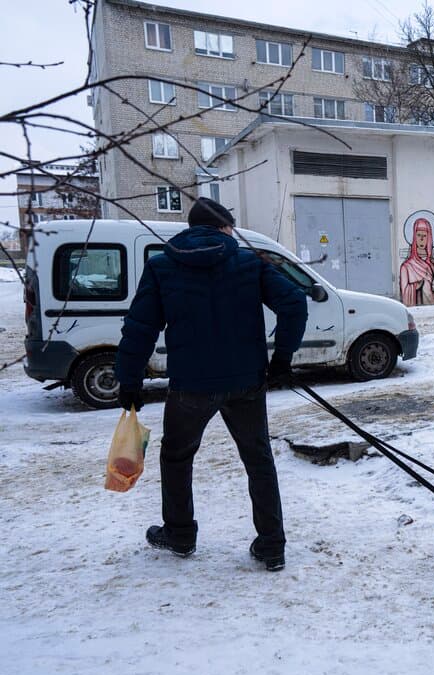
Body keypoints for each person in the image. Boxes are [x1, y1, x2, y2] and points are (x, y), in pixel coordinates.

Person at [115, 197, 308, 572]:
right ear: (223, 228)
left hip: (191, 386)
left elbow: (139, 328)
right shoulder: (250, 263)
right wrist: (282, 359)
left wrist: (130, 379)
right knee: (258, 459)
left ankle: (180, 535)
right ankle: (271, 546)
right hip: (246, 382)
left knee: (176, 457)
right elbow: (294, 302)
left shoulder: (162, 266)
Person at [399, 217, 434, 307]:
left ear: (429, 238)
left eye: (424, 236)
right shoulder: (406, 267)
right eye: (419, 235)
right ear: (415, 237)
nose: (422, 239)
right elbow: (404, 291)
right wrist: (416, 285)